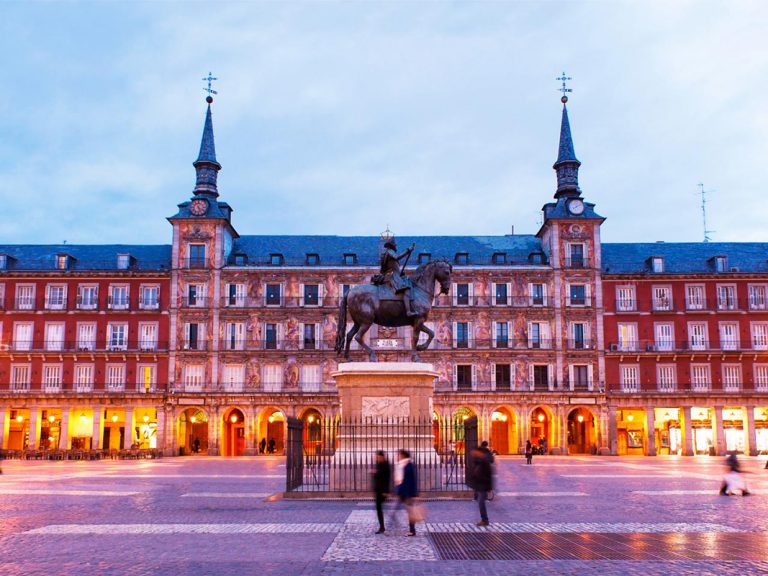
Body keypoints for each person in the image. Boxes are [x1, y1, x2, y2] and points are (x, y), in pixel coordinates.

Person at [378, 237, 417, 317]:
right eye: (395, 245)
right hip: (393, 275)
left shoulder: (387, 252)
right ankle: (408, 311)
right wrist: (408, 250)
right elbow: (397, 257)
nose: (396, 247)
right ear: (392, 245)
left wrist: (400, 273)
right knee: (407, 289)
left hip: (394, 274)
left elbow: (394, 266)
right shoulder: (389, 251)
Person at [395, 449, 418, 536]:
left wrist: (414, 494)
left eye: (399, 455)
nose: (397, 456)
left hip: (408, 493)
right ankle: (412, 530)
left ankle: (412, 530)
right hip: (403, 492)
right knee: (397, 510)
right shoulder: (402, 465)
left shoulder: (408, 465)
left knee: (410, 512)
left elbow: (412, 480)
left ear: (403, 456)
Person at [470, 441, 494, 527]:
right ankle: (484, 520)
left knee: (481, 502)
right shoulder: (479, 461)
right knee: (480, 501)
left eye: (474, 452)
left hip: (483, 484)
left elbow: (488, 473)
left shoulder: (484, 461)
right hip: (480, 484)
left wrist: (489, 487)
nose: (472, 454)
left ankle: (485, 520)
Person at [372, 450, 391, 534]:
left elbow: (387, 479)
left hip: (382, 491)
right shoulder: (379, 464)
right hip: (378, 490)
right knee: (379, 509)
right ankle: (382, 527)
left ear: (382, 457)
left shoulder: (386, 465)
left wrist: (386, 491)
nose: (376, 458)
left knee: (380, 508)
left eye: (378, 457)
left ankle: (383, 526)